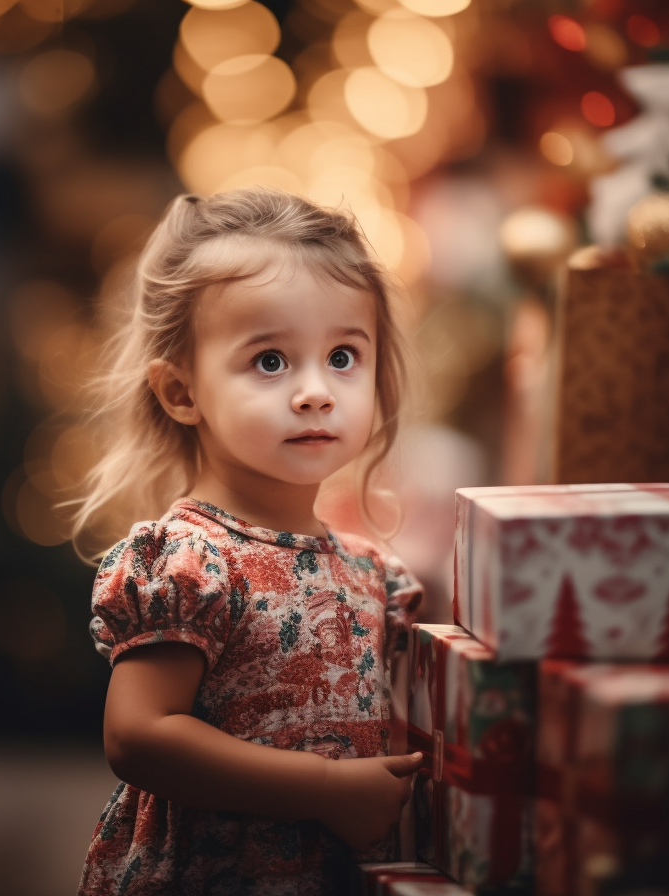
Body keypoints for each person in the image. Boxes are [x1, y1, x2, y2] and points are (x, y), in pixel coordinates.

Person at [72, 187, 425, 895]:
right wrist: (323, 788)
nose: (315, 391)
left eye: (343, 357)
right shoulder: (190, 562)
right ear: (181, 392)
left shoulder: (374, 574)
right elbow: (137, 736)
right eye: (270, 362)